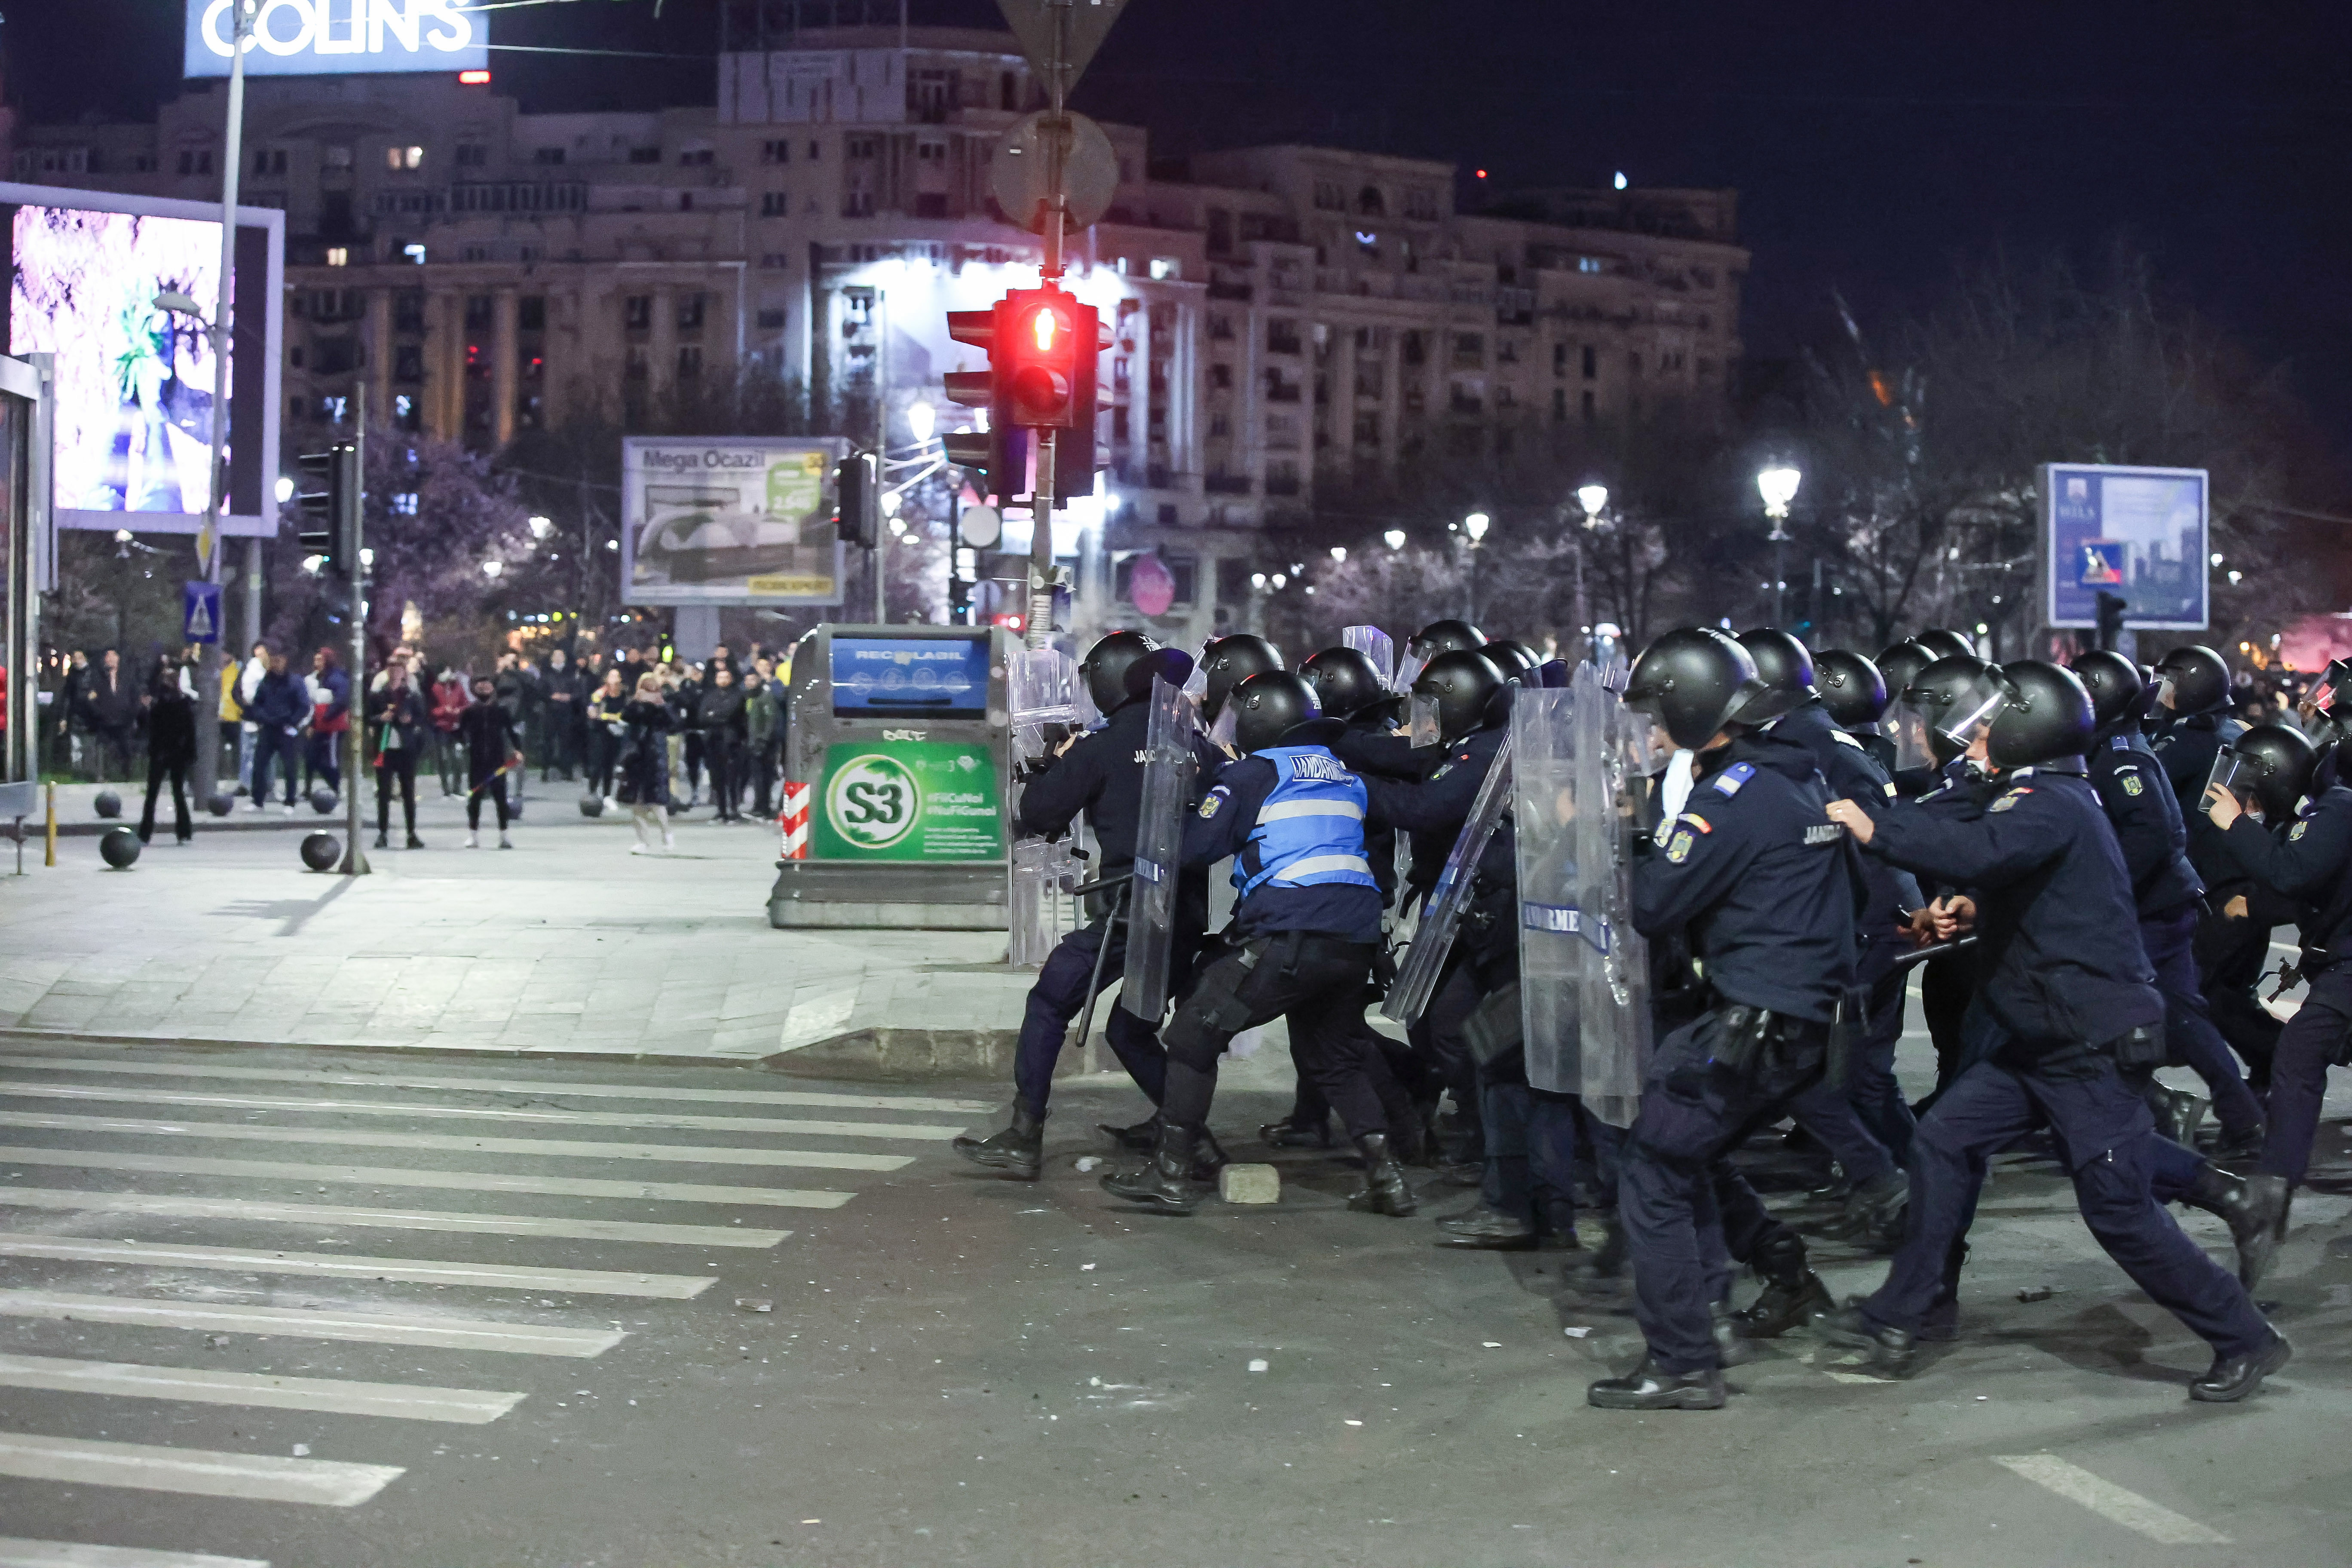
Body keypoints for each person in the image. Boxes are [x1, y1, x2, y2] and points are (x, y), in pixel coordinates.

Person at [1821, 661, 2288, 1405]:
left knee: (2118, 1208)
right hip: (2040, 1035)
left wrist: (1875, 826)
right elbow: (2010, 872)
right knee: (1944, 1140)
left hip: (2086, 1042)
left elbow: (1980, 850)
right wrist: (1972, 909)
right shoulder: (2041, 796)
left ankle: (2244, 1335)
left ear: (2024, 727)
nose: (1972, 739)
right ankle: (1900, 1313)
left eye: (1988, 725)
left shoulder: (2051, 800)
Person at [1585, 627, 1855, 1412]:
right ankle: (1770, 1275)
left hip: (1756, 1026)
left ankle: (1682, 1362)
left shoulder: (1730, 797)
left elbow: (1654, 904)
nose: (1653, 732)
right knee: (1685, 1151)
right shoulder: (1793, 777)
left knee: (1653, 1171)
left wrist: (1633, 826)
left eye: (1660, 714)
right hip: (1796, 1023)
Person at [1100, 671, 1414, 1218]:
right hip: (1354, 939)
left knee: (1193, 1035)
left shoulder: (1253, 775)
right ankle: (1387, 1176)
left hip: (1289, 933)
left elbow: (1196, 849)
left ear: (1258, 720)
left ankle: (1173, 1173)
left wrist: (1201, 790)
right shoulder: (1343, 773)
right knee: (1334, 1057)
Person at [956, 632, 1213, 1179]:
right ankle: (1195, 1142)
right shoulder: (1193, 742)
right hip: (1187, 912)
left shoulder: (1103, 746)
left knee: (1049, 1002)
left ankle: (1024, 1135)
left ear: (1104, 682)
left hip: (1128, 910)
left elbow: (1041, 813)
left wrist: (1054, 764)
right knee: (1129, 1029)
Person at [2073, 650, 2264, 1157]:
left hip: (2153, 906)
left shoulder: (2122, 755)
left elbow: (2153, 834)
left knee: (2105, 1009)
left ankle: (2165, 1109)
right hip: (2168, 900)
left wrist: (2107, 890)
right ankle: (2234, 1115)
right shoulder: (2118, 746)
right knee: (2183, 1015)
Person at [2202, 723, 2352, 1273]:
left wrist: (2237, 826)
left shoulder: (2335, 810)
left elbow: (2293, 873)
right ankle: (2272, 1194)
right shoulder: (2319, 814)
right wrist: (2256, 907)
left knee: (2299, 1054)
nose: (2246, 799)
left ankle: (2271, 1197)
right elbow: (2313, 890)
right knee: (2302, 1055)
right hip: (2340, 963)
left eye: (2252, 788)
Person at [137, 651, 198, 845]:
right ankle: (184, 831)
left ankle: (146, 832)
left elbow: (149, 727)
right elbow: (189, 732)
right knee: (177, 792)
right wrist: (190, 752)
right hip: (175, 752)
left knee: (154, 793)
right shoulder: (181, 703)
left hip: (162, 752)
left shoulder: (160, 704)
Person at [369, 652, 427, 849]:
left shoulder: (411, 695)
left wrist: (410, 721)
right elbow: (368, 717)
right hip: (384, 749)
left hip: (405, 749)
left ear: (404, 673)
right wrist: (380, 718)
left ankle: (411, 833)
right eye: (391, 668)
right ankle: (383, 833)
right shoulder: (378, 695)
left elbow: (422, 717)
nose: (395, 672)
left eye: (399, 669)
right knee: (384, 792)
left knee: (408, 792)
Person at [457, 673, 520, 849]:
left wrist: (518, 749)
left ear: (493, 688)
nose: (483, 689)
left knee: (500, 798)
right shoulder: (469, 712)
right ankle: (473, 835)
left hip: (497, 762)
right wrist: (461, 743)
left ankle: (504, 835)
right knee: (475, 798)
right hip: (477, 760)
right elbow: (461, 733)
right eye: (479, 686)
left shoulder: (501, 710)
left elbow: (511, 731)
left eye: (487, 685)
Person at [618, 672, 676, 854]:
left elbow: (674, 724)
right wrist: (637, 702)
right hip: (635, 758)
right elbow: (626, 717)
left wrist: (659, 706)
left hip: (655, 758)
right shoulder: (634, 706)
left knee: (656, 803)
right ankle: (643, 841)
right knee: (636, 803)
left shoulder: (662, 708)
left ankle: (667, 834)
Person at [243, 650, 307, 812]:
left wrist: (292, 722)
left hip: (286, 729)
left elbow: (304, 705)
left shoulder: (294, 682)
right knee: (259, 764)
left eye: (277, 660)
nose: (274, 664)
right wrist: (262, 717)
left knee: (289, 767)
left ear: (285, 661)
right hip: (268, 729)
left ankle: (290, 801)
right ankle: (257, 801)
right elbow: (257, 703)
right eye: (272, 661)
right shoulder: (267, 681)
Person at [699, 666, 749, 822]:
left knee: (733, 777)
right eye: (720, 678)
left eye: (725, 677)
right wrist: (715, 716)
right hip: (713, 742)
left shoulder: (737, 695)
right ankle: (721, 810)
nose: (723, 681)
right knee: (717, 778)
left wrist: (714, 714)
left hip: (732, 742)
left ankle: (734, 809)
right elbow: (702, 715)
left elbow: (731, 713)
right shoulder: (710, 695)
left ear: (731, 679)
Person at [85, 648, 140, 782]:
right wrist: (100, 713)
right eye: (108, 658)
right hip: (105, 720)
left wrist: (131, 714)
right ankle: (103, 775)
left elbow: (135, 697)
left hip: (124, 720)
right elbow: (91, 699)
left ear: (118, 659)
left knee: (126, 747)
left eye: (113, 657)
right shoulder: (98, 678)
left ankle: (127, 775)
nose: (110, 660)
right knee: (103, 748)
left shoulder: (127, 677)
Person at [303, 646, 350, 798]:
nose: (316, 663)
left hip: (333, 725)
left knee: (331, 758)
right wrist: (314, 723)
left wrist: (326, 717)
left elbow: (341, 700)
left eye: (320, 660)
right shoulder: (321, 678)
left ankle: (336, 787)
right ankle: (311, 788)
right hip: (321, 724)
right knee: (312, 756)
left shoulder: (336, 678)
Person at [586, 666, 628, 807]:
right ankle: (592, 794)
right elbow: (594, 711)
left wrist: (619, 719)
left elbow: (627, 711)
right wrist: (606, 716)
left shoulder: (624, 695)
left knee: (610, 765)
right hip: (601, 732)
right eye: (612, 676)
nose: (614, 679)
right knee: (597, 764)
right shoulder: (600, 694)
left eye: (617, 676)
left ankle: (607, 795)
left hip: (616, 733)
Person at [744, 670, 779, 821]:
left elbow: (770, 721)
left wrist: (764, 740)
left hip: (765, 745)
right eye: (748, 680)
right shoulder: (748, 698)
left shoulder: (766, 697)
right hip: (753, 744)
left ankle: (764, 807)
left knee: (765, 777)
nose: (750, 683)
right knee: (757, 777)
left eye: (753, 680)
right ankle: (759, 806)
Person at [430, 666, 469, 796]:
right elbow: (431, 709)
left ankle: (457, 787)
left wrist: (460, 710)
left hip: (456, 728)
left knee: (458, 757)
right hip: (441, 727)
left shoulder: (458, 687)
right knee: (443, 757)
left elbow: (466, 704)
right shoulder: (436, 688)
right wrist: (444, 710)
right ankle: (446, 788)